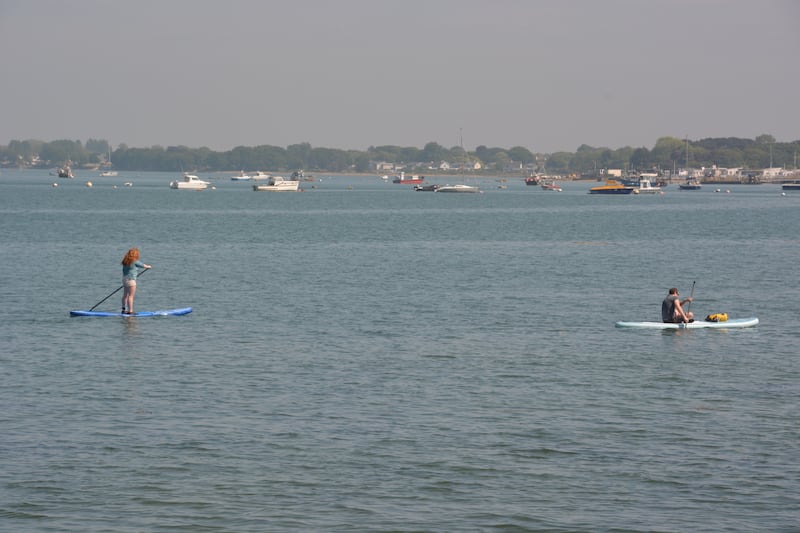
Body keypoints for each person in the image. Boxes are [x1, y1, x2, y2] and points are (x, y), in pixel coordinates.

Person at [121, 248, 151, 314]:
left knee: (125, 295)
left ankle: (123, 309)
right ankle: (130, 311)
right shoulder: (134, 261)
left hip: (124, 279)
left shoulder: (125, 261)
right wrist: (149, 266)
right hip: (131, 280)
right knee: (131, 296)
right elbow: (143, 265)